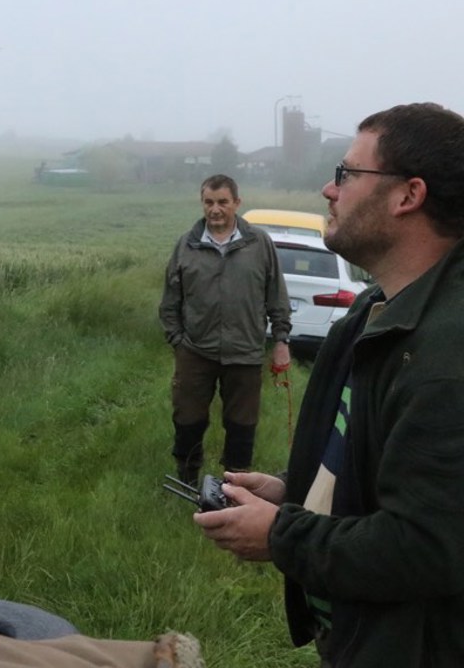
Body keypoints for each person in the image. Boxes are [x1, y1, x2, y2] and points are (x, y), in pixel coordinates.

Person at [194, 103, 464, 667]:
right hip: (360, 634)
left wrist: (282, 536)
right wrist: (293, 489)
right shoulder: (378, 308)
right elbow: (376, 454)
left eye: (347, 174)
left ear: (407, 195)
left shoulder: (447, 351)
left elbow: (427, 546)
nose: (328, 188)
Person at [158, 174, 291, 482]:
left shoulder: (259, 244)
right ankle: (187, 477)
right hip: (195, 351)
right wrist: (178, 341)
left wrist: (281, 339)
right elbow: (169, 301)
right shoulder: (186, 245)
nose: (215, 209)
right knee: (188, 417)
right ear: (202, 203)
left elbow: (276, 295)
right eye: (209, 202)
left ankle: (236, 482)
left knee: (242, 423)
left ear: (236, 203)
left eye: (222, 202)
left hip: (245, 351)